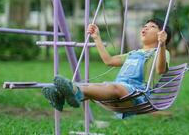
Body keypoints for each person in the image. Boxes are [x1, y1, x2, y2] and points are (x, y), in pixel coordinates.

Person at [42, 18, 171, 118]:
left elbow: (161, 70)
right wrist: (96, 38)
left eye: (152, 27)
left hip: (138, 96)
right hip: (119, 91)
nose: (146, 28)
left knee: (115, 87)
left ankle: (72, 90)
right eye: (145, 26)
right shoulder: (133, 54)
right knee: (99, 86)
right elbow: (109, 61)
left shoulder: (161, 52)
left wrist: (162, 45)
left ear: (162, 34)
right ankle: (61, 95)